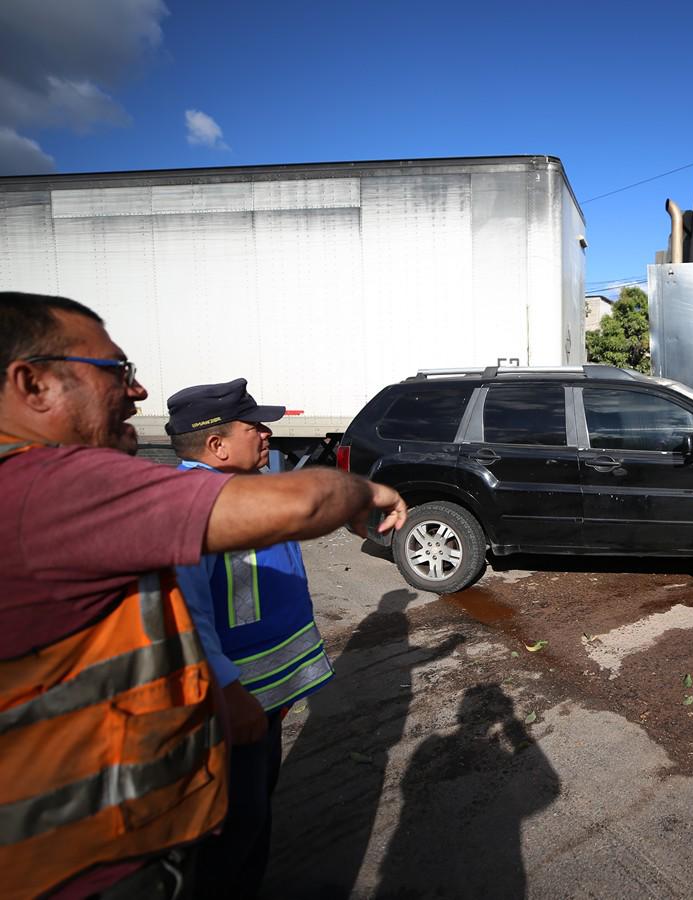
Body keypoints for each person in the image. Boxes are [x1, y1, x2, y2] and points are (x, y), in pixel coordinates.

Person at [0, 292, 407, 899]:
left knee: (245, 826)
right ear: (33, 385)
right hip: (87, 863)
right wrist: (367, 494)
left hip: (115, 827)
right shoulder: (50, 486)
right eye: (118, 371)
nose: (137, 393)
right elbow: (296, 508)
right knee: (237, 839)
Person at [166, 378, 336, 899]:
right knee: (232, 831)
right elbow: (183, 619)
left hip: (261, 700)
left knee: (254, 816)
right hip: (229, 708)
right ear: (216, 446)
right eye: (253, 427)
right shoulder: (191, 510)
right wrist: (230, 691)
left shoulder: (240, 492)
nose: (266, 435)